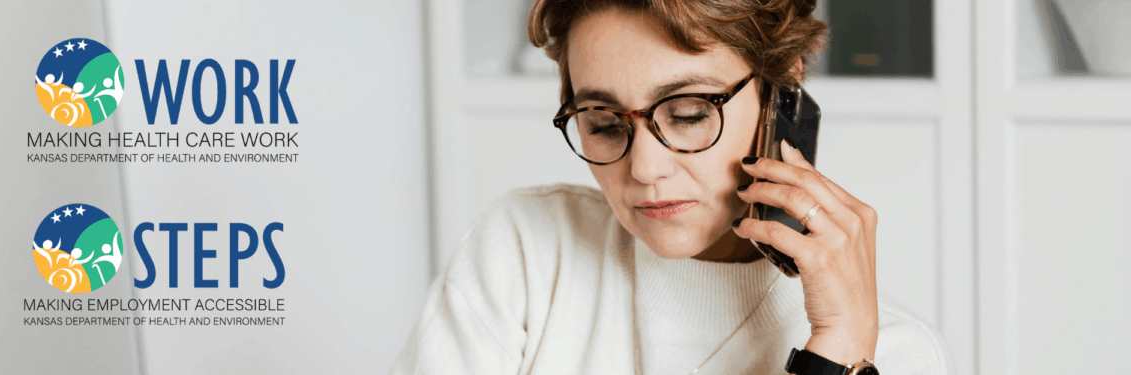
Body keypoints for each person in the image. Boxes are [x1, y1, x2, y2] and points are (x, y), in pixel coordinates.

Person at [391, 0, 952, 373]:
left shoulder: (888, 353)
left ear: (783, 88)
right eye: (603, 122)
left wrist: (837, 353)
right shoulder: (525, 254)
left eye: (687, 114)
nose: (645, 170)